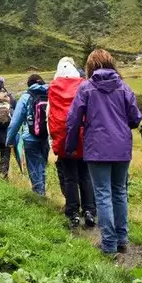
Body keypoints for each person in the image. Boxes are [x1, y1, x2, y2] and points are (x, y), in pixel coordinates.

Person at [66, 49, 141, 255]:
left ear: (91, 67)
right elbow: (135, 118)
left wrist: (71, 146)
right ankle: (122, 238)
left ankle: (108, 244)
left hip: (97, 149)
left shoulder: (86, 89)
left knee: (103, 194)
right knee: (120, 192)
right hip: (122, 149)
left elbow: (73, 121)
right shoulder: (124, 88)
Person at [48, 57, 96, 229]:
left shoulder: (53, 88)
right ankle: (90, 210)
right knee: (85, 175)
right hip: (83, 136)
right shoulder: (84, 85)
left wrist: (53, 137)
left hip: (64, 138)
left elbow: (50, 115)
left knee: (70, 178)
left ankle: (72, 212)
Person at [6, 74, 50, 195]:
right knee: (41, 166)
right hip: (45, 137)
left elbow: (15, 122)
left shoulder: (26, 97)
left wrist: (9, 141)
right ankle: (42, 192)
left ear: (29, 84)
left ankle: (39, 194)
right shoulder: (49, 95)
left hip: (30, 138)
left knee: (34, 167)